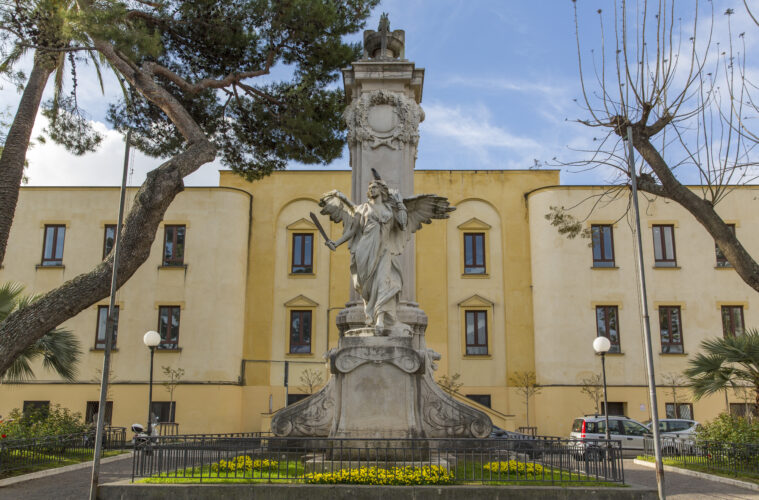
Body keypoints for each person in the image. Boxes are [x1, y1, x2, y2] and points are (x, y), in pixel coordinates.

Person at [320, 178, 453, 335]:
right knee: (367, 287)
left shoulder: (391, 209)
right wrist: (336, 243)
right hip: (365, 249)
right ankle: (370, 315)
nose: (372, 190)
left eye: (375, 187)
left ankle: (380, 320)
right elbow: (353, 230)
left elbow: (403, 224)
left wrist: (400, 203)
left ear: (382, 191)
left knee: (384, 282)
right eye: (371, 187)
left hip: (384, 250)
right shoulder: (361, 209)